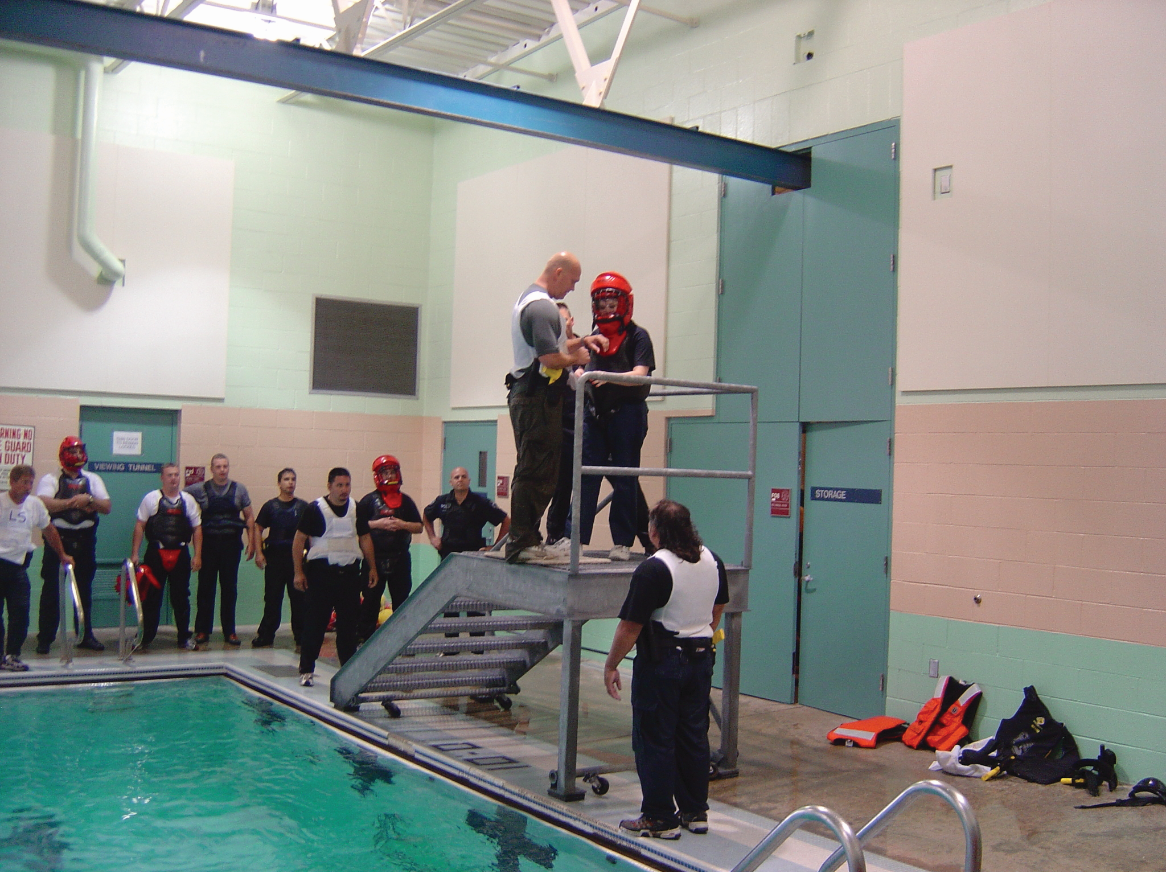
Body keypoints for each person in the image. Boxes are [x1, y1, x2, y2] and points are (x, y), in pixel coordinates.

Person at [603, 500, 728, 839]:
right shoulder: (713, 560)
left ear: (654, 532)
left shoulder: (654, 568)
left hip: (663, 662)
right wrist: (699, 631)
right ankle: (694, 811)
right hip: (701, 659)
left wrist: (611, 664)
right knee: (692, 735)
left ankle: (659, 817)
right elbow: (718, 607)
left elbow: (630, 627)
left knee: (654, 738)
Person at [505, 251, 606, 563]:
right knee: (536, 470)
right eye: (573, 281)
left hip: (533, 395)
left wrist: (580, 341)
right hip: (536, 397)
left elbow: (549, 346)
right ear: (558, 272)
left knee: (540, 468)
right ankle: (522, 542)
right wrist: (576, 359)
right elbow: (549, 358)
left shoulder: (530, 301)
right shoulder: (541, 307)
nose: (573, 288)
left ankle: (527, 539)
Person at [578, 271, 656, 561]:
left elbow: (639, 376)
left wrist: (606, 377)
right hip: (594, 415)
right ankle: (577, 540)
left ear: (625, 305)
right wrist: (579, 373)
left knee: (625, 479)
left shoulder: (639, 336)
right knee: (586, 477)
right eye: (603, 305)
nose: (608, 311)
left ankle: (622, 542)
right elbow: (580, 368)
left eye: (613, 305)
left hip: (628, 414)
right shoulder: (592, 339)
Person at [294, 467, 377, 687]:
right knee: (315, 624)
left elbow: (365, 539)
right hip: (321, 575)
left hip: (349, 575)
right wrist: (298, 572)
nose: (344, 490)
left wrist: (372, 568)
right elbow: (299, 540)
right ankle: (306, 670)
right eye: (339, 485)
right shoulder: (314, 509)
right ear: (329, 486)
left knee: (348, 628)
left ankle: (348, 670)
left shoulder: (356, 508)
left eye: (347, 485)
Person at [34, 436, 111, 654]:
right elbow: (44, 503)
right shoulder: (51, 479)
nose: (77, 456)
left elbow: (106, 506)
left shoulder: (93, 479)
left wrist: (89, 501)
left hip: (85, 541)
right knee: (51, 592)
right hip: (58, 542)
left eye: (80, 451)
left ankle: (86, 635)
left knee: (84, 591)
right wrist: (70, 502)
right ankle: (45, 639)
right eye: (73, 451)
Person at [424, 466, 510, 654]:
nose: (460, 480)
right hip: (449, 560)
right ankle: (450, 648)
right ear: (451, 482)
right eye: (456, 477)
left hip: (474, 561)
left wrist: (495, 547)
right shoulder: (442, 502)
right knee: (450, 605)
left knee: (475, 605)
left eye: (463, 476)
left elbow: (506, 520)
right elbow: (426, 515)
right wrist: (432, 537)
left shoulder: (480, 502)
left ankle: (477, 648)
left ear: (469, 480)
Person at [1, 466, 73, 671]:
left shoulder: (34, 505)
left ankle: (12, 654)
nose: (27, 487)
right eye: (24, 482)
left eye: (30, 483)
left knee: (21, 612)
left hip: (18, 568)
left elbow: (50, 531)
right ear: (12, 482)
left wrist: (62, 555)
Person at [130, 463, 203, 650]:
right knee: (152, 598)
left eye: (177, 475)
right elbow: (140, 525)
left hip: (180, 554)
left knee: (181, 598)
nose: (174, 478)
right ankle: (145, 638)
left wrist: (197, 556)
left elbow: (197, 528)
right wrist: (135, 553)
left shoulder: (188, 501)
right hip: (156, 553)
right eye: (170, 475)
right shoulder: (151, 499)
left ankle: (184, 638)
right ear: (162, 478)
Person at [185, 453, 255, 647]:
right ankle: (202, 631)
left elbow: (249, 517)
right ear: (212, 469)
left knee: (229, 589)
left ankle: (230, 631)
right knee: (205, 589)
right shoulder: (198, 489)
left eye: (225, 466)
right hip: (208, 546)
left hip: (231, 546)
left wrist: (252, 543)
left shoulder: (239, 489)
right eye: (218, 466)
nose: (222, 470)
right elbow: (180, 498)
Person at [356, 455, 423, 642]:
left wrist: (402, 524)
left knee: (401, 602)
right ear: (378, 475)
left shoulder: (406, 501)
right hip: (374, 559)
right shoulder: (368, 501)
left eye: (392, 471)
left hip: (400, 559)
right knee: (370, 601)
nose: (390, 475)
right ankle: (364, 639)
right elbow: (356, 526)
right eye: (385, 472)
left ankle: (401, 641)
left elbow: (418, 526)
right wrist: (379, 524)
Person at [252, 468, 308, 650]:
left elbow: (312, 533)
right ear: (279, 483)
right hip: (275, 559)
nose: (290, 482)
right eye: (286, 479)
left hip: (297, 561)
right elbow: (257, 528)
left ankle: (301, 637)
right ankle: (266, 635)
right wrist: (259, 553)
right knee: (272, 599)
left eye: (293, 479)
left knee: (299, 600)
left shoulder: (303, 507)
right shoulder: (270, 506)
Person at [544, 302, 578, 546]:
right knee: (561, 483)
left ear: (571, 321)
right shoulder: (551, 353)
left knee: (620, 478)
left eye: (563, 320)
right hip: (562, 423)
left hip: (590, 424)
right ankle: (555, 534)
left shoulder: (587, 348)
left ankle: (642, 532)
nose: (560, 325)